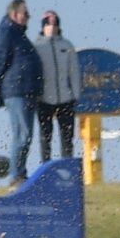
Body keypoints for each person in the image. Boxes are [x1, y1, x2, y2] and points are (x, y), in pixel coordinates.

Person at [0, 0, 42, 183]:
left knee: (25, 134)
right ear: (14, 14)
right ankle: (16, 174)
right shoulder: (7, 34)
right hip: (16, 92)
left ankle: (19, 172)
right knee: (22, 134)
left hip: (27, 92)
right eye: (25, 13)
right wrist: (0, 93)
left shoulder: (19, 35)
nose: (28, 17)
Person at [34, 11, 81, 161]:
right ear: (43, 27)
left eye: (55, 24)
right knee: (45, 135)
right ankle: (45, 166)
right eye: (48, 24)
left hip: (65, 98)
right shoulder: (37, 46)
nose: (52, 27)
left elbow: (74, 71)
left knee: (67, 136)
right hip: (44, 99)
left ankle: (67, 165)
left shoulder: (66, 46)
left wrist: (75, 94)